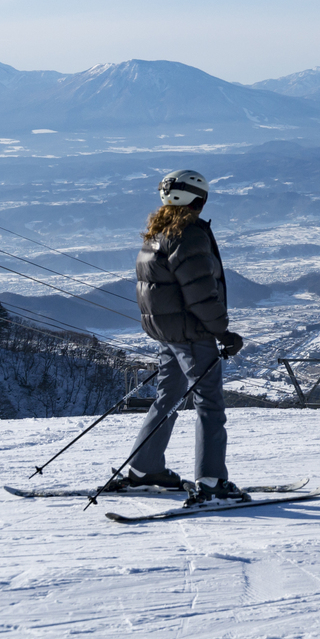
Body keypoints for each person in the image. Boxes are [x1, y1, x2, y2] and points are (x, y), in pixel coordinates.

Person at [110, 169, 249, 506]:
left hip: (169, 333)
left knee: (169, 395)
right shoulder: (188, 235)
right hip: (191, 333)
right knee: (209, 402)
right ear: (198, 201)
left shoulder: (157, 232)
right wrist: (222, 332)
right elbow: (201, 293)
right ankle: (212, 481)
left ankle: (145, 469)